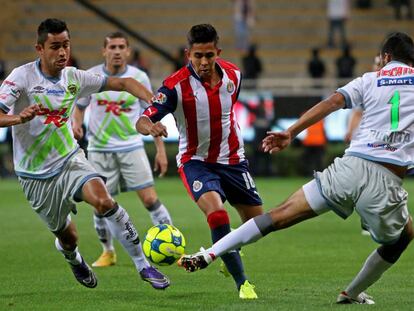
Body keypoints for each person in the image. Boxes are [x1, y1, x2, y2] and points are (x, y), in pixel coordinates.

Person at [179, 32, 414, 305]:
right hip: (386, 178)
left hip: (350, 167)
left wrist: (290, 131)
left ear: (385, 57)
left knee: (276, 216)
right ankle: (350, 293)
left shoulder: (370, 79)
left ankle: (209, 253)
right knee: (403, 235)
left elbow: (332, 103)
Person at [0, 18, 170, 290]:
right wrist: (18, 118)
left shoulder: (74, 77)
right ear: (39, 49)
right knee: (69, 236)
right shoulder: (21, 78)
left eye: (66, 45)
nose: (63, 52)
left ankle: (143, 265)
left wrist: (155, 106)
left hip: (70, 160)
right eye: (55, 46)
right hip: (35, 174)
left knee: (104, 201)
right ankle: (73, 257)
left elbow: (124, 83)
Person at [136, 23, 263, 299]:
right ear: (188, 54)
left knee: (260, 224)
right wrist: (152, 128)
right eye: (197, 56)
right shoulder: (174, 86)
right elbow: (142, 119)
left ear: (217, 52)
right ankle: (243, 283)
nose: (204, 62)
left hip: (233, 160)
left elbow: (227, 114)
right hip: (196, 162)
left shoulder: (234, 76)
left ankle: (229, 248)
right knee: (217, 215)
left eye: (209, 55)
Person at [72, 31, 173, 268]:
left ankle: (170, 242)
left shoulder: (139, 78)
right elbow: (79, 107)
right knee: (100, 204)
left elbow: (153, 115)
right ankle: (108, 252)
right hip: (99, 149)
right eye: (112, 47)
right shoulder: (92, 76)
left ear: (127, 51)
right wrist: (76, 123)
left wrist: (159, 150)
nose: (116, 51)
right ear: (104, 51)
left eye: (121, 47)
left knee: (150, 199)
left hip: (131, 147)